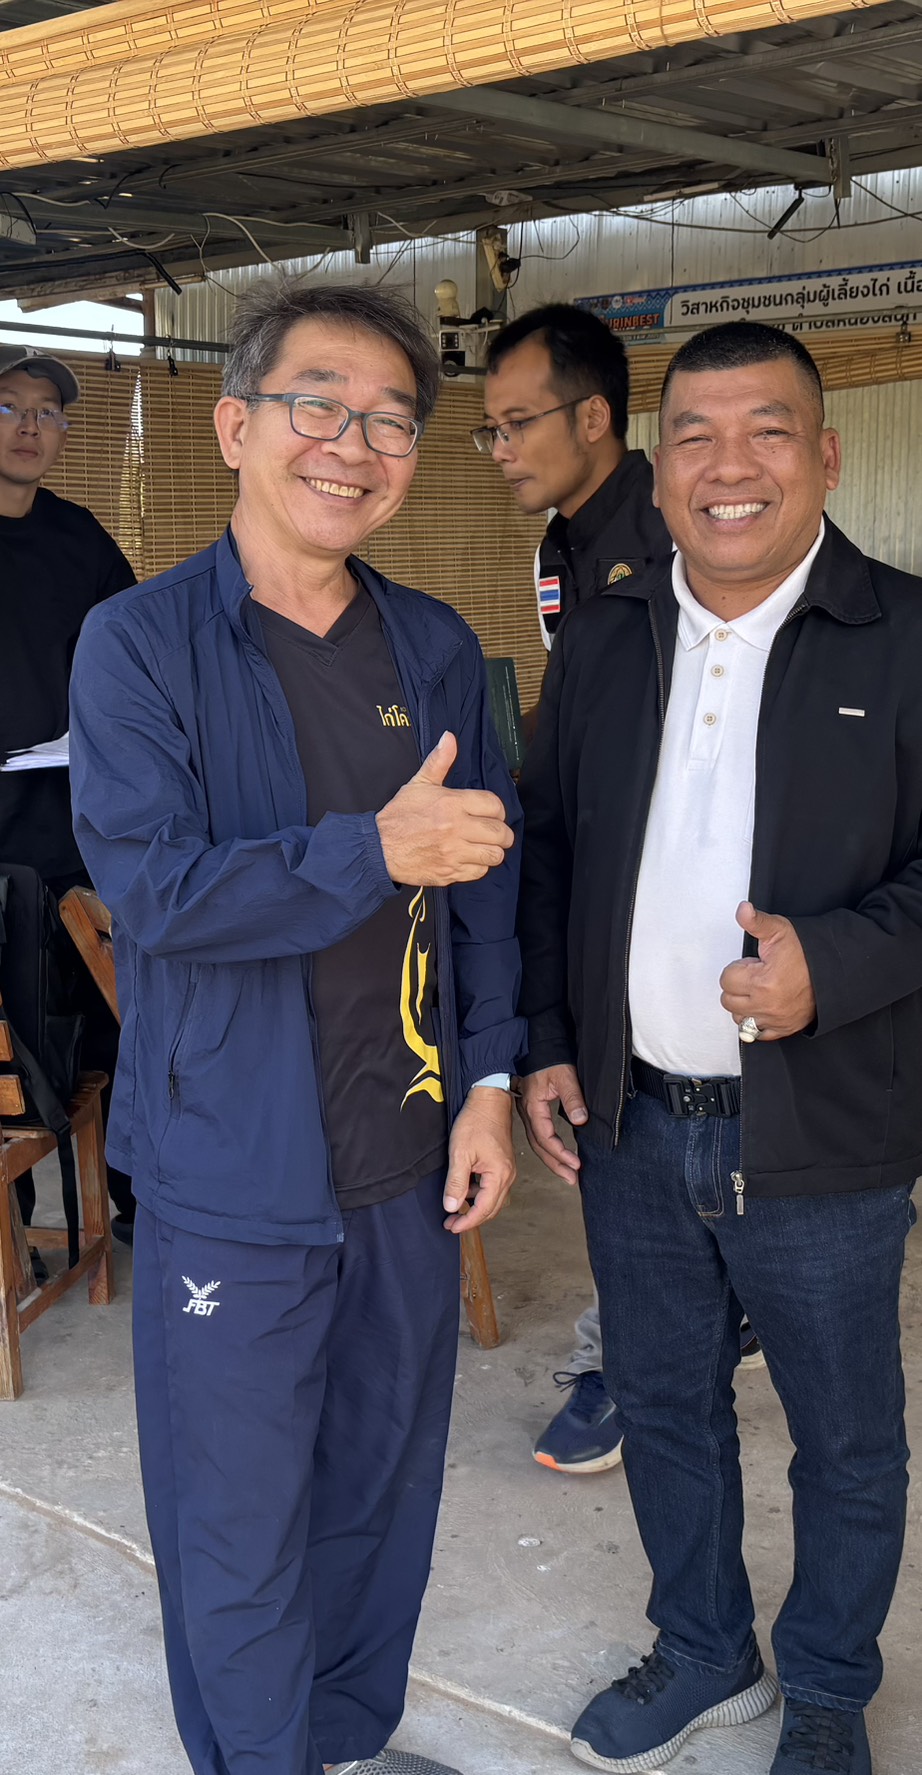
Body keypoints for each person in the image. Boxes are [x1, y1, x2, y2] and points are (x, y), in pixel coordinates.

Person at [69, 280, 524, 1775]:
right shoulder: (138, 643)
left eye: (388, 419)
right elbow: (156, 891)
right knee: (239, 1519)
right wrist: (369, 851)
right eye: (316, 404)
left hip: (406, 1154)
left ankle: (341, 1739)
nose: (352, 443)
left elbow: (487, 882)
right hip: (233, 1171)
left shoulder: (434, 644)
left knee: (378, 1492)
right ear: (234, 427)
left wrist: (489, 1080)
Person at [516, 320, 917, 1775]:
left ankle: (825, 1687)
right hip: (629, 1121)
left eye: (765, 430)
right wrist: (546, 1039)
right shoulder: (606, 631)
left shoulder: (905, 634)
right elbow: (547, 853)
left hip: (824, 1133)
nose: (727, 464)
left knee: (844, 1440)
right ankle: (703, 1649)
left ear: (824, 455)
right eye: (695, 432)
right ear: (656, 461)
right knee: (666, 1407)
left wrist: (836, 963)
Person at [478, 304, 760, 1478]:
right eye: (490, 429)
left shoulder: (677, 531)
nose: (499, 449)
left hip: (698, 901)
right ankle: (667, 1332)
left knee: (666, 1128)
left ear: (592, 417)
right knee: (618, 1130)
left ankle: (642, 1355)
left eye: (517, 423)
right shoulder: (567, 543)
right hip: (605, 878)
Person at [0, 343, 136, 1243]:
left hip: (75, 832)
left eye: (47, 412)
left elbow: (133, 649)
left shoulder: (78, 537)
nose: (30, 426)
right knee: (4, 1049)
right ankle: (9, 1235)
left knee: (110, 1024)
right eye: (10, 406)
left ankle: (136, 1202)